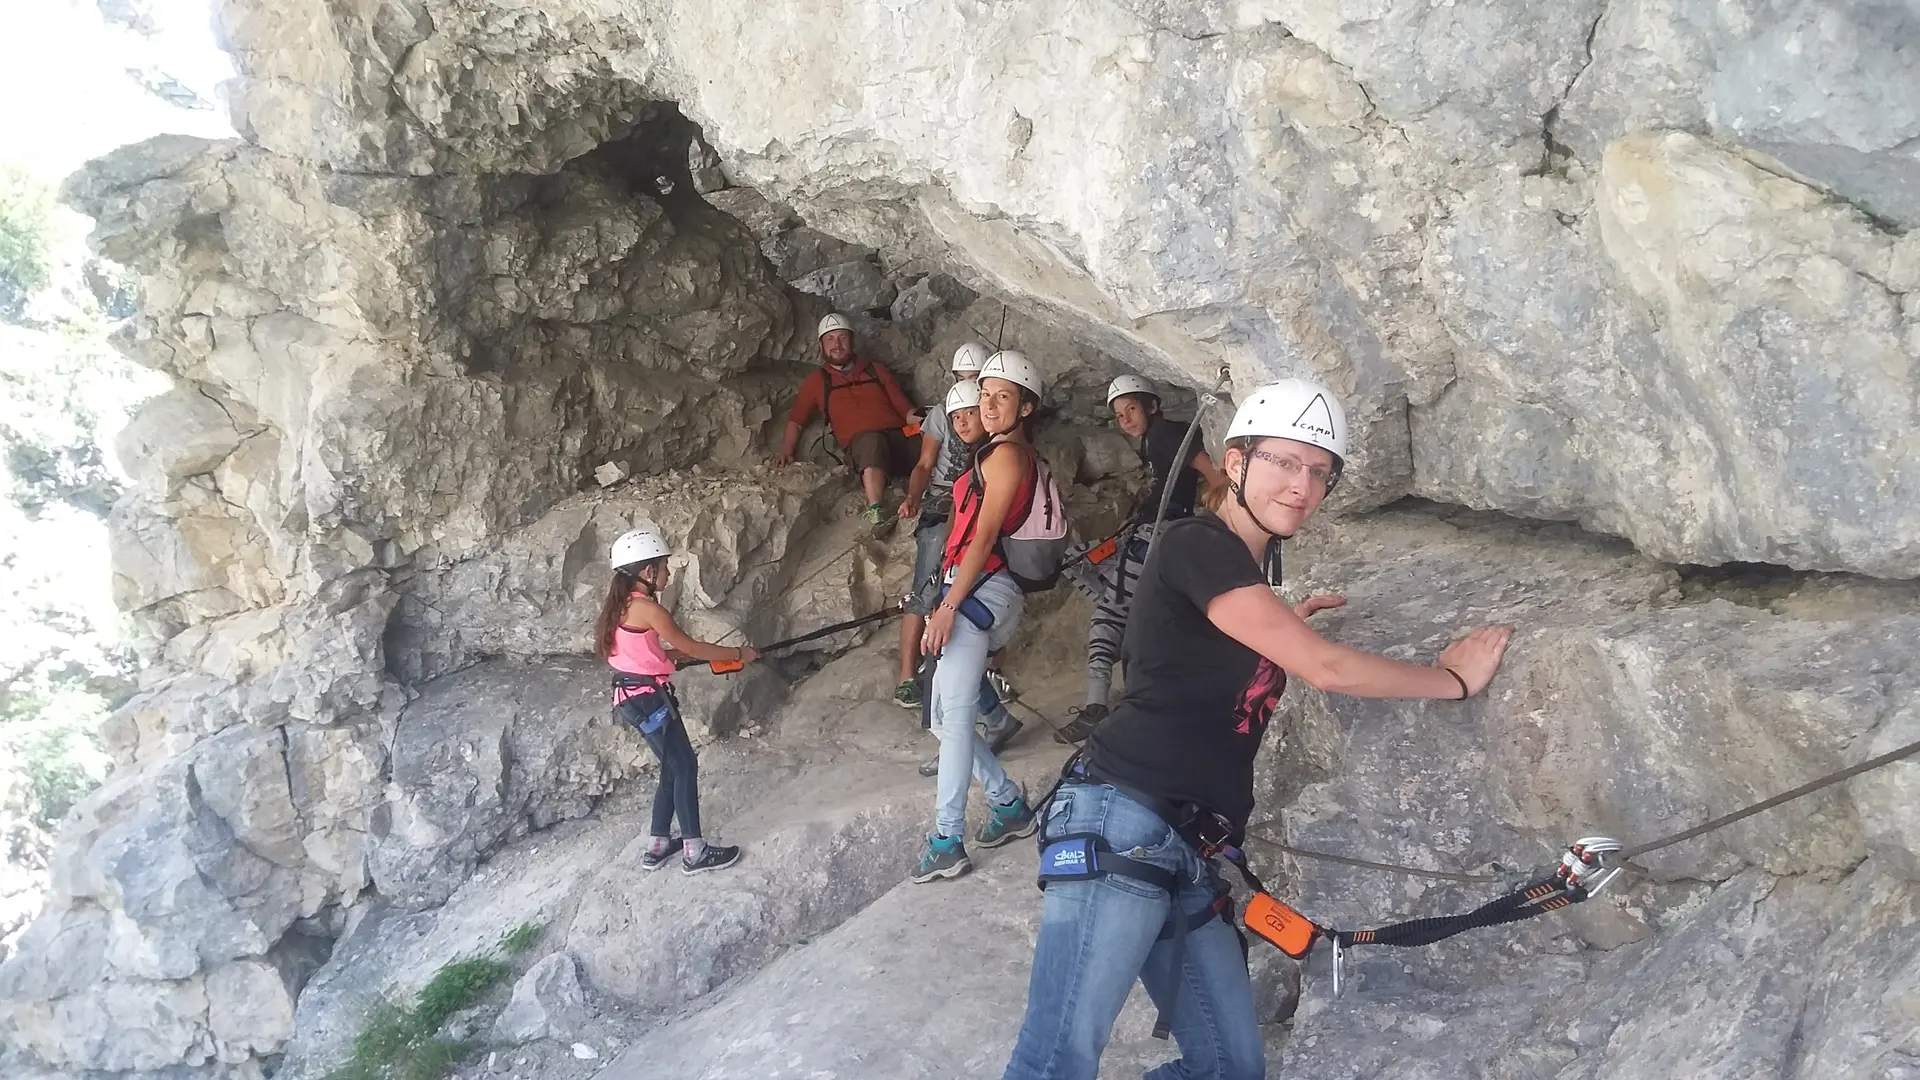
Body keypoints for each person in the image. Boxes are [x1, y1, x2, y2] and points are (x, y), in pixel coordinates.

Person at [1000, 378, 1514, 1079]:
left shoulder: (1242, 575)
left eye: (1318, 472)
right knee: (1056, 1060)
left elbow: (1214, 658)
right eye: (1283, 462)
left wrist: (1281, 628)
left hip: (1186, 848)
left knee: (1230, 1068)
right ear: (1235, 463)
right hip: (1121, 817)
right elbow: (1326, 670)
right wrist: (1450, 680)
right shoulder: (1195, 542)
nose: (1302, 486)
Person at [912, 349, 1052, 884]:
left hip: (977, 593)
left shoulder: (1007, 457)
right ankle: (1008, 806)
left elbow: (985, 535)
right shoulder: (994, 453)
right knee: (946, 721)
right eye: (985, 395)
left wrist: (947, 606)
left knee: (954, 719)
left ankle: (947, 839)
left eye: (1002, 397)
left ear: (1025, 407)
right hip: (973, 589)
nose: (990, 406)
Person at [1054, 374, 1227, 745]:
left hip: (1157, 535)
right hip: (1146, 534)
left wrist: (1218, 502)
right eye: (1119, 415)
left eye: (1131, 409)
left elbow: (1209, 473)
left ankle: (1096, 706)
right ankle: (1129, 611)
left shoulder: (1163, 434)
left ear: (1152, 406)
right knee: (1074, 561)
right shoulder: (1155, 439)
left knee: (1106, 615)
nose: (1126, 419)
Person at [596, 526, 761, 875]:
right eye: (664, 566)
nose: (668, 572)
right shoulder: (650, 610)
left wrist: (667, 657)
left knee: (672, 765)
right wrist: (738, 653)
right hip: (648, 699)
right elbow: (692, 646)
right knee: (685, 766)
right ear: (647, 572)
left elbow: (638, 651)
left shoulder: (621, 605)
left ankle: (658, 844)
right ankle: (695, 852)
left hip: (631, 695)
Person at [910, 376, 1020, 778]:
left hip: (982, 578)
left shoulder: (995, 457)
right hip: (969, 573)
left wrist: (950, 597)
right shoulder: (977, 459)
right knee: (947, 660)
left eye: (968, 413)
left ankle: (961, 745)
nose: (962, 422)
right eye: (955, 417)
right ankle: (982, 729)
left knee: (948, 663)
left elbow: (982, 533)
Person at [774, 313, 922, 534]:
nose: (837, 344)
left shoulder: (875, 370)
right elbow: (797, 420)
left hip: (899, 436)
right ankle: (876, 511)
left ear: (852, 341)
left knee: (930, 435)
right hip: (864, 448)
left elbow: (905, 410)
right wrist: (786, 450)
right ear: (821, 346)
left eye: (842, 337)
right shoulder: (818, 381)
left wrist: (930, 423)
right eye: (830, 339)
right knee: (872, 440)